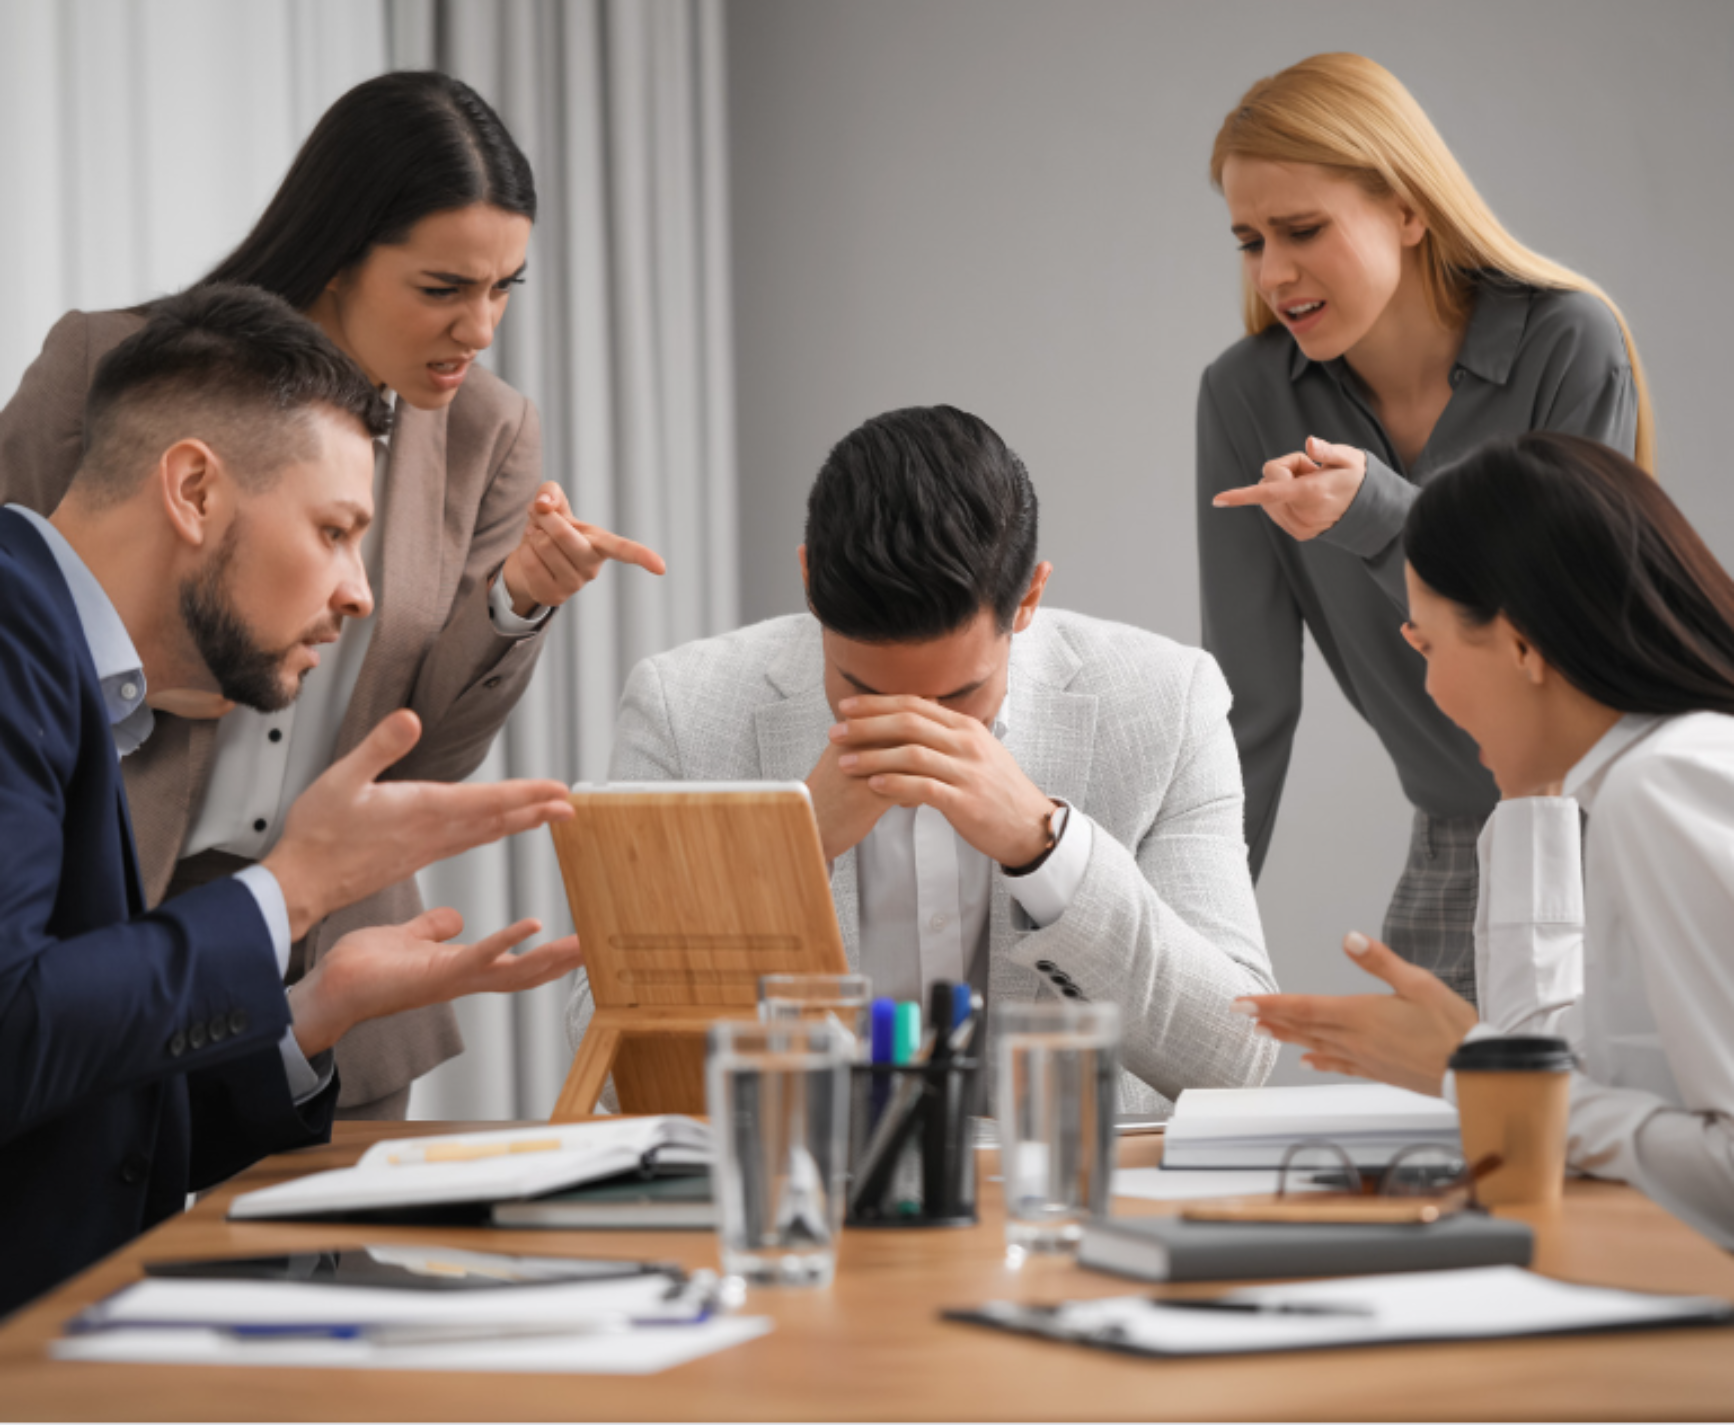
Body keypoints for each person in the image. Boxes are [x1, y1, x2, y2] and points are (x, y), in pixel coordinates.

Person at [0, 71, 661, 1120]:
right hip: (103, 928)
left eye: (504, 291)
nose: (481, 327)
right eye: (445, 289)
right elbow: (34, 609)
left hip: (331, 966)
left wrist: (516, 601)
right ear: (340, 253)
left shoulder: (486, 430)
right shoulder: (118, 367)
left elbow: (419, 756)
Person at [0, 285, 586, 1314]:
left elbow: (86, 1113)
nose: (359, 592)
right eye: (333, 530)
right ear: (194, 490)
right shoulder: (10, 638)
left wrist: (314, 1011)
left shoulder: (66, 664)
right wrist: (293, 890)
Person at [569, 405, 1278, 1113]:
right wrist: (789, 848)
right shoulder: (682, 707)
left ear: (1028, 596)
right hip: (801, 1196)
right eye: (862, 690)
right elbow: (607, 1066)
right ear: (810, 582)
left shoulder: (1163, 701)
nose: (914, 728)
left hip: (1064, 1199)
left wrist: (1047, 847)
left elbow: (1236, 1057)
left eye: (959, 694)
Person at [1197, 52, 1655, 1004]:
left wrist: (1371, 511)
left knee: (1617, 1143)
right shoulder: (1244, 397)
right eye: (1250, 240)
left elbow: (1554, 636)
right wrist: (1185, 946)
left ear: (1409, 209)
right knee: (1408, 1149)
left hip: (1612, 827)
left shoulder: (1570, 343)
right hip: (1455, 843)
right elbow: (1248, 709)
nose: (1275, 271)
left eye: (1303, 229)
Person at [1235, 433, 1734, 1249]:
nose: (1427, 690)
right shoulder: (1643, 775)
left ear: (1521, 645)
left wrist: (1473, 1071)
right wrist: (1486, 1064)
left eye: (1428, 646)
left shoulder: (1664, 783)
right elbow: (1594, 1064)